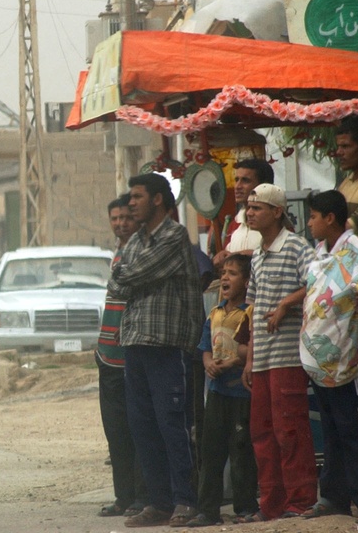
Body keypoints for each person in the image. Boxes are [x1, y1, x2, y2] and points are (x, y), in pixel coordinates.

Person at [110, 173, 204, 528]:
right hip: (134, 342)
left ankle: (185, 501)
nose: (131, 203)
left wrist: (125, 274)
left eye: (137, 197)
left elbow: (135, 274)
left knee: (172, 424)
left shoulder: (174, 235)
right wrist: (126, 274)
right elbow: (117, 284)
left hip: (167, 345)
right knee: (143, 425)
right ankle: (159, 502)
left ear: (158, 200)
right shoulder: (136, 240)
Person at [298, 190, 358, 525]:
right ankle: (333, 497)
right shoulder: (320, 252)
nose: (309, 223)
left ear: (329, 218)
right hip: (320, 365)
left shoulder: (357, 253)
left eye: (313, 216)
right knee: (332, 432)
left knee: (355, 430)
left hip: (348, 362)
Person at [240, 183, 317, 522]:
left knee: (290, 430)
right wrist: (250, 356)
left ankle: (300, 501)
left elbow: (317, 282)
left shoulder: (297, 247)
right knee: (262, 431)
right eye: (249, 207)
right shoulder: (257, 253)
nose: (250, 213)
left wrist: (286, 304)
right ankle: (270, 503)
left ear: (277, 212)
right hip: (264, 358)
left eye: (257, 207)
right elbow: (254, 307)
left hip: (288, 355)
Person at [186, 254, 258, 527]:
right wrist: (208, 365)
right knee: (211, 451)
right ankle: (208, 510)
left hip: (241, 392)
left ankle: (245, 507)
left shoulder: (248, 313)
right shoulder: (215, 313)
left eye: (233, 273)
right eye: (223, 272)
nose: (225, 278)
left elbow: (251, 351)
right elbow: (205, 347)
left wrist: (232, 361)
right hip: (216, 392)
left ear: (247, 281)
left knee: (241, 451)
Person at [97, 194, 148, 519]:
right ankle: (123, 497)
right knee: (115, 431)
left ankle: (142, 498)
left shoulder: (144, 251)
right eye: (115, 218)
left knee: (139, 429)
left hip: (133, 354)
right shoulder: (118, 253)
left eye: (125, 218)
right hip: (108, 355)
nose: (120, 223)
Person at [213, 158, 274, 270]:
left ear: (263, 185)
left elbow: (281, 255)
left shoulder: (275, 221)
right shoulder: (234, 224)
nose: (237, 186)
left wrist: (241, 255)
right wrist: (223, 256)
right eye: (237, 180)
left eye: (245, 180)